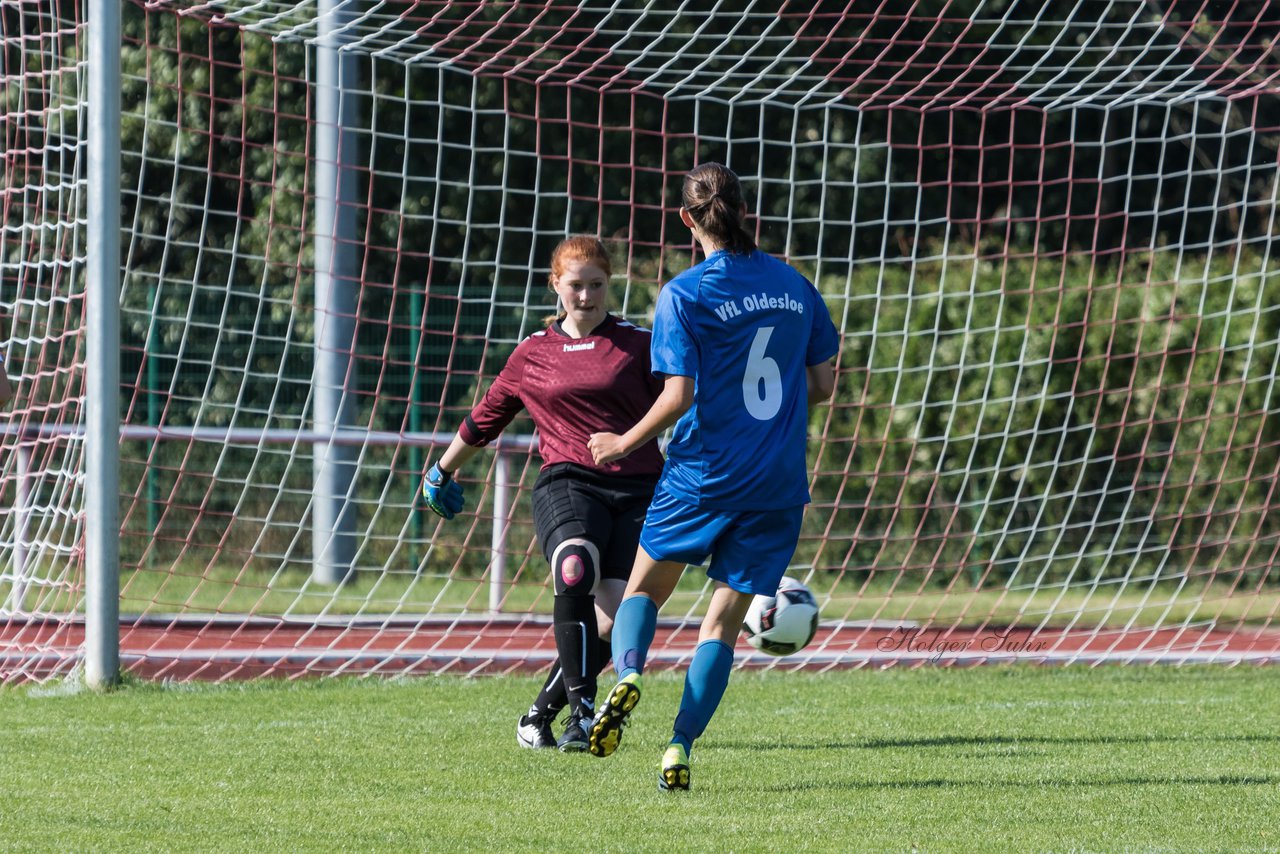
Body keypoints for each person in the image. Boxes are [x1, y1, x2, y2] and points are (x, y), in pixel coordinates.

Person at [583, 162, 839, 790]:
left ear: (686, 219)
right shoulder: (794, 285)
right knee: (722, 625)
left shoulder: (685, 293)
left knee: (643, 591)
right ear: (744, 209)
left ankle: (631, 674)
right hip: (776, 482)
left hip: (702, 474)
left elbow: (677, 396)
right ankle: (679, 747)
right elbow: (825, 383)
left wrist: (621, 442)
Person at [422, 235, 664, 752]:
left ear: (608, 284)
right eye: (575, 286)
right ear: (555, 285)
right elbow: (485, 418)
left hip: (640, 488)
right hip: (568, 481)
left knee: (617, 614)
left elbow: (680, 397)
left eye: (596, 285)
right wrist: (440, 471)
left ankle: (538, 714)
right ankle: (582, 715)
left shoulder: (640, 344)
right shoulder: (533, 353)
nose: (586, 296)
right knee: (574, 567)